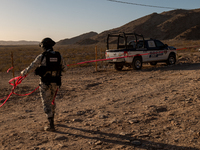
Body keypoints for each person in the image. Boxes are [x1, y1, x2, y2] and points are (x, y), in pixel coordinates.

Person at [21, 37, 67, 131]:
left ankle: (51, 125)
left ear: (44, 46)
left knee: (46, 103)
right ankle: (52, 120)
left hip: (45, 83)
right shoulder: (59, 56)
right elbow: (65, 69)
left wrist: (23, 73)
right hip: (55, 83)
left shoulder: (42, 56)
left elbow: (32, 67)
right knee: (52, 101)